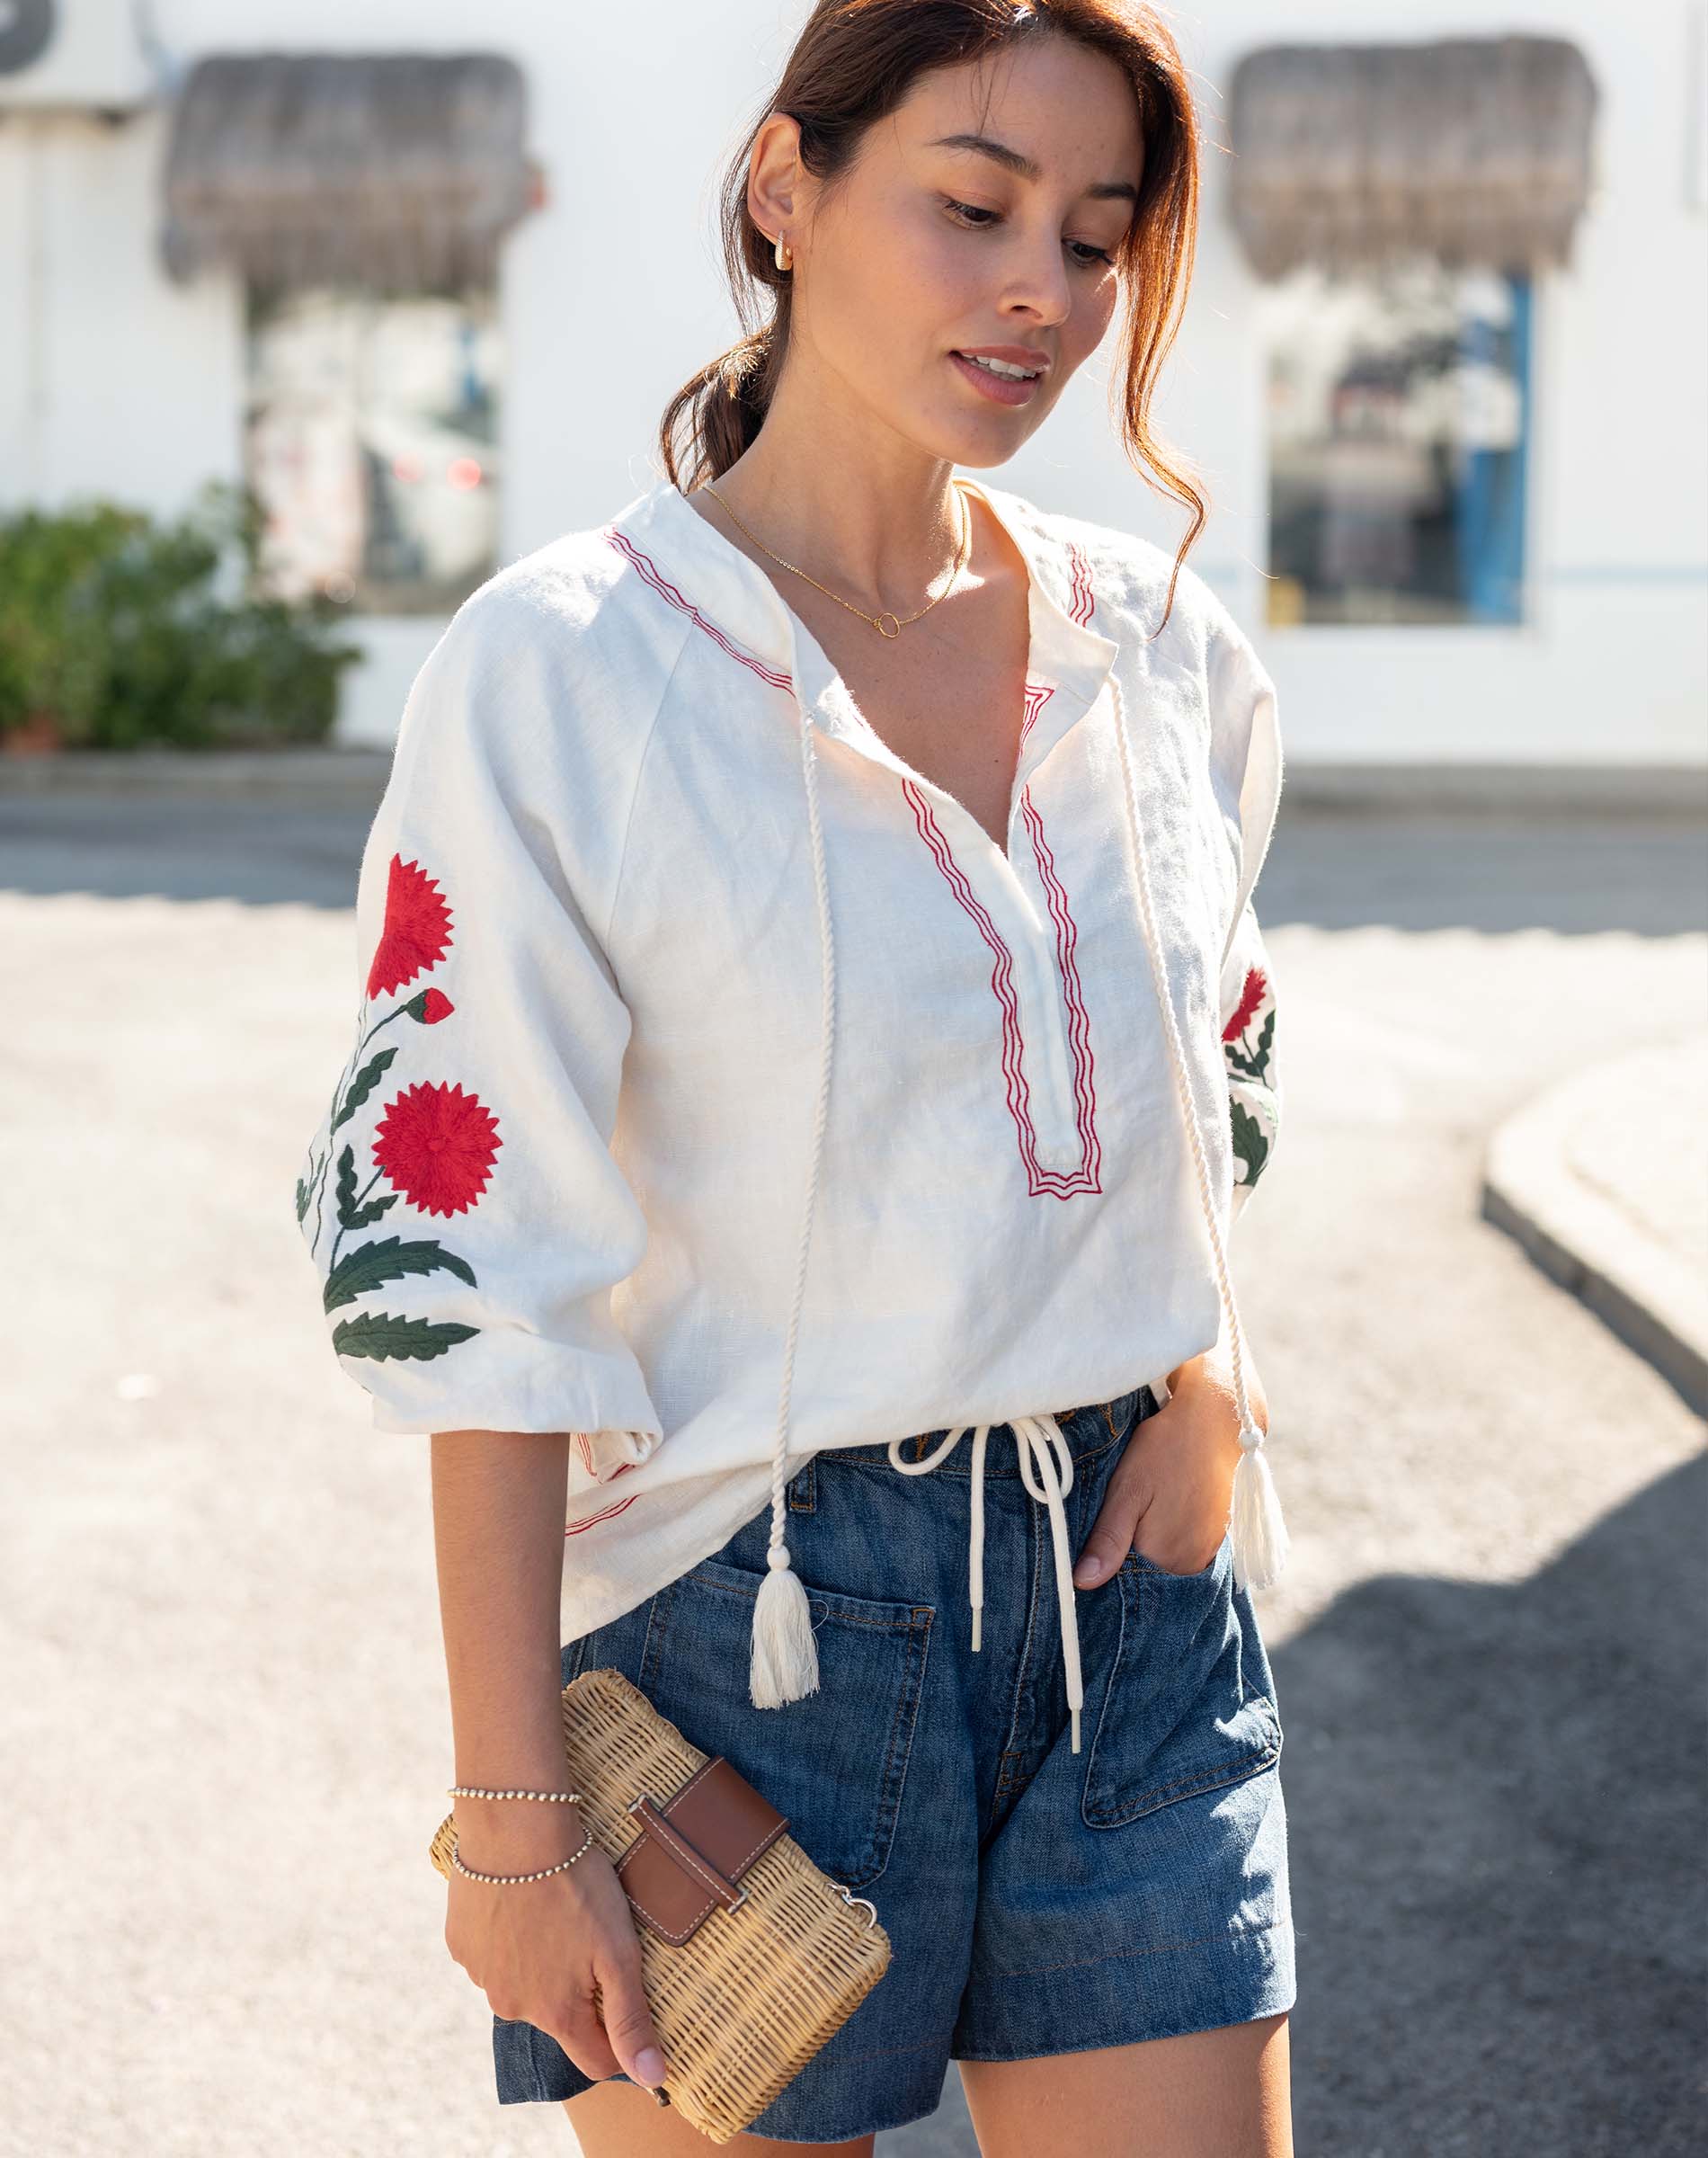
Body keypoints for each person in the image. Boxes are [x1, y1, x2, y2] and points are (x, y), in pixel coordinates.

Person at [293, 4, 1298, 2152]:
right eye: (969, 204)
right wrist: (506, 1810)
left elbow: (1198, 1076)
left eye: (1097, 234)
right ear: (785, 191)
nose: (1041, 283)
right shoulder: (567, 673)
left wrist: (1209, 1374)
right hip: (741, 1641)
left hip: (1127, 1630)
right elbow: (480, 1264)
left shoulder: (1156, 652)